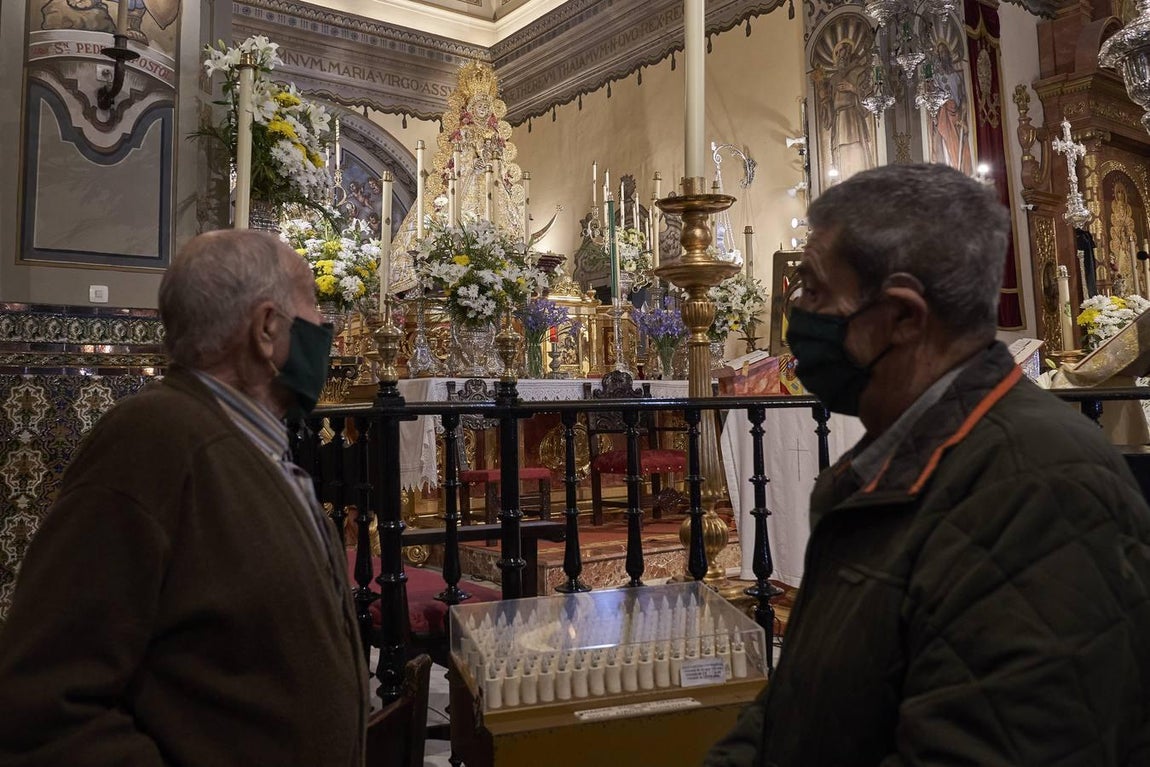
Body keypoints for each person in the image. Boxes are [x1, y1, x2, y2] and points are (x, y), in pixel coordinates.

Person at [705, 163, 1150, 766]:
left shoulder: (1042, 494)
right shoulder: (892, 459)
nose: (796, 321)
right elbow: (803, 705)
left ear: (905, 318)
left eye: (812, 292)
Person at [0, 230, 366, 766]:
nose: (325, 325)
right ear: (267, 330)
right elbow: (44, 703)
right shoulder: (152, 440)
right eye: (311, 303)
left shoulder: (246, 443)